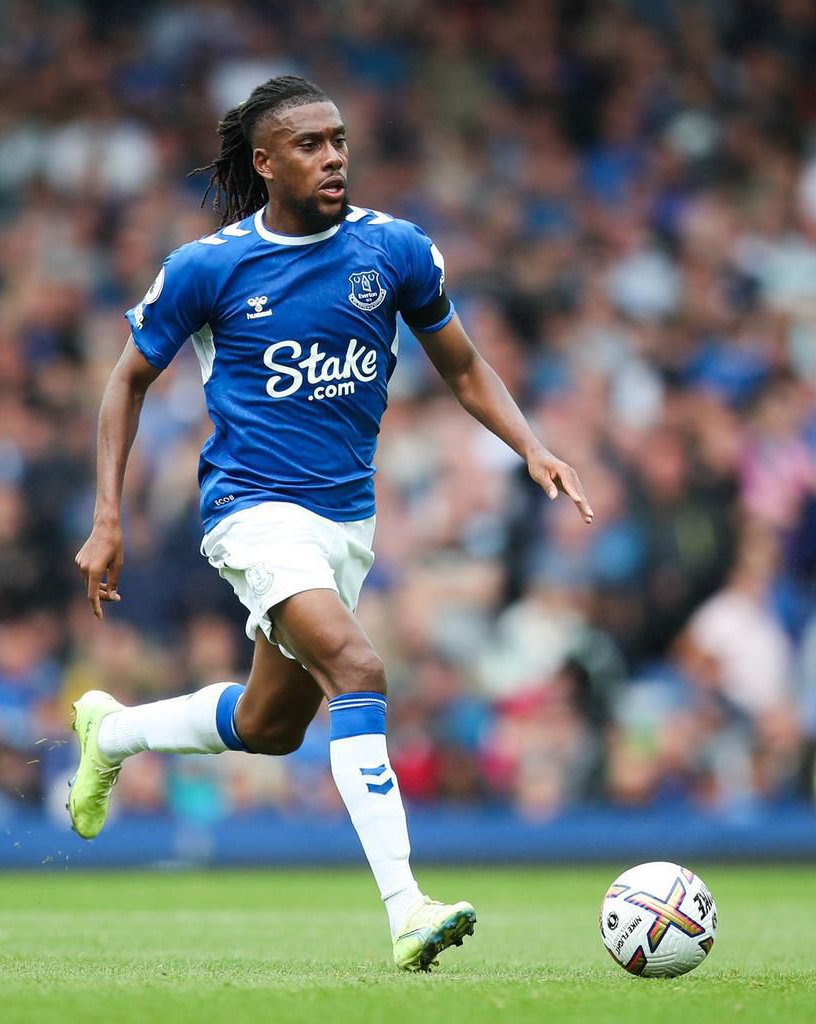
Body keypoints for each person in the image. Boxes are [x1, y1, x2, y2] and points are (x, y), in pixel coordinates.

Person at [70, 76, 593, 971]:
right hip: (250, 511)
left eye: (339, 139)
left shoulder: (395, 250)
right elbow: (126, 380)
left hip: (345, 522)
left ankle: (111, 733)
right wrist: (107, 516)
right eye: (310, 144)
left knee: (272, 725)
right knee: (358, 667)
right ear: (266, 163)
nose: (334, 157)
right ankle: (407, 909)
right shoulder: (208, 267)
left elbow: (464, 368)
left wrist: (532, 447)